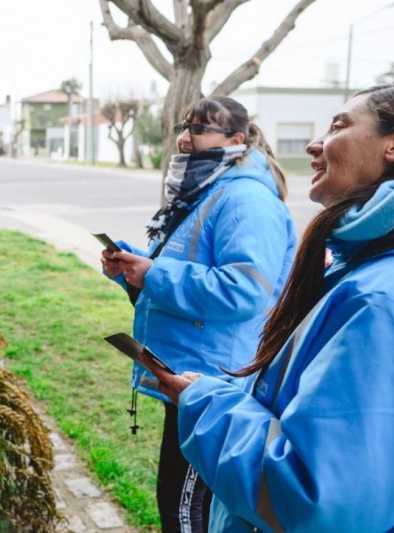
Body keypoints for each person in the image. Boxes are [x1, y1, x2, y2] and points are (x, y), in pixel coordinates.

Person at [151, 85, 394, 532]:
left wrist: (206, 403)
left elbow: (318, 504)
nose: (313, 144)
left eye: (340, 125)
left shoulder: (389, 304)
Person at [100, 96, 297, 532]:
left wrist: (154, 274)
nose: (185, 139)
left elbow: (243, 290)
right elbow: (187, 272)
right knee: (174, 500)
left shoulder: (247, 200)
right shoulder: (208, 187)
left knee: (187, 511)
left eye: (200, 129)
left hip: (217, 382)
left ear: (236, 140)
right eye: (184, 128)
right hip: (189, 375)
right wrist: (134, 271)